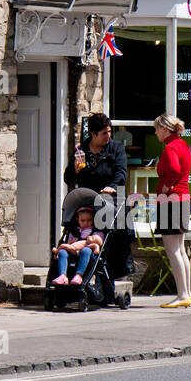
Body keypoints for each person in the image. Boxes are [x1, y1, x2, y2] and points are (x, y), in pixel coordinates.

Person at [64, 112, 132, 276]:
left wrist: (112, 186)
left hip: (111, 198)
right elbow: (68, 179)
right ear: (93, 134)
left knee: (112, 235)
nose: (108, 136)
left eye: (109, 132)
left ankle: (108, 277)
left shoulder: (116, 149)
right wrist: (74, 170)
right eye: (104, 133)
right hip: (88, 198)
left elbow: (121, 172)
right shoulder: (81, 152)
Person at [153, 113, 191, 308]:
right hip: (184, 199)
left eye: (156, 129)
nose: (155, 133)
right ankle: (188, 293)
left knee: (172, 250)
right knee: (181, 249)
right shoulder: (183, 145)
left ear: (164, 129)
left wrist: (166, 186)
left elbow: (175, 170)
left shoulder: (170, 148)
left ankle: (182, 294)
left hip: (171, 201)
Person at [51, 206, 104, 286]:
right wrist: (70, 244)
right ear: (78, 220)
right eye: (83, 220)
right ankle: (63, 276)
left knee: (86, 250)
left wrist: (93, 240)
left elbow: (99, 242)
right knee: (62, 251)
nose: (86, 223)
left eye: (89, 220)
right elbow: (69, 244)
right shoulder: (74, 231)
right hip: (73, 252)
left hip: (87, 255)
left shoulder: (96, 232)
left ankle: (78, 275)